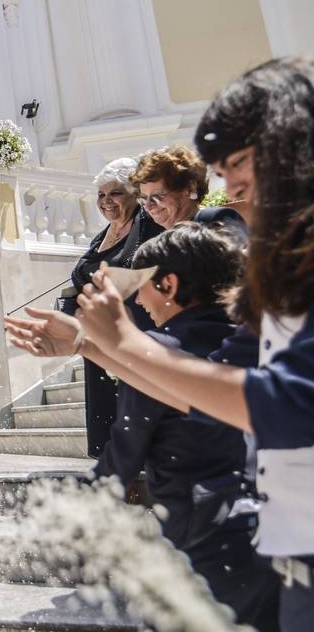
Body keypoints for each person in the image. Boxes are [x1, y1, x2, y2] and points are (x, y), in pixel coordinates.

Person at [5, 57, 314, 631]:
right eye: (225, 170)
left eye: (240, 164)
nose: (235, 186)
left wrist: (125, 343)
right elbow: (204, 387)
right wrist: (91, 347)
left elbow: (275, 399)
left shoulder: (254, 248)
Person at [91, 224, 280, 630]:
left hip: (204, 539)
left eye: (141, 285)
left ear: (168, 284)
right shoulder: (254, 343)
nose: (138, 300)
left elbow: (124, 452)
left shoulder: (160, 352)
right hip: (272, 530)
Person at [57, 158, 163, 458]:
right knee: (108, 418)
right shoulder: (99, 237)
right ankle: (115, 471)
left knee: (138, 411)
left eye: (115, 193)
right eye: (101, 195)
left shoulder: (150, 227)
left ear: (134, 194)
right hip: (100, 339)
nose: (106, 202)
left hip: (137, 331)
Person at [132, 145, 244, 231]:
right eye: (144, 198)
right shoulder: (159, 238)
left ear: (190, 189)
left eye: (157, 196)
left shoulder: (216, 221)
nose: (147, 206)